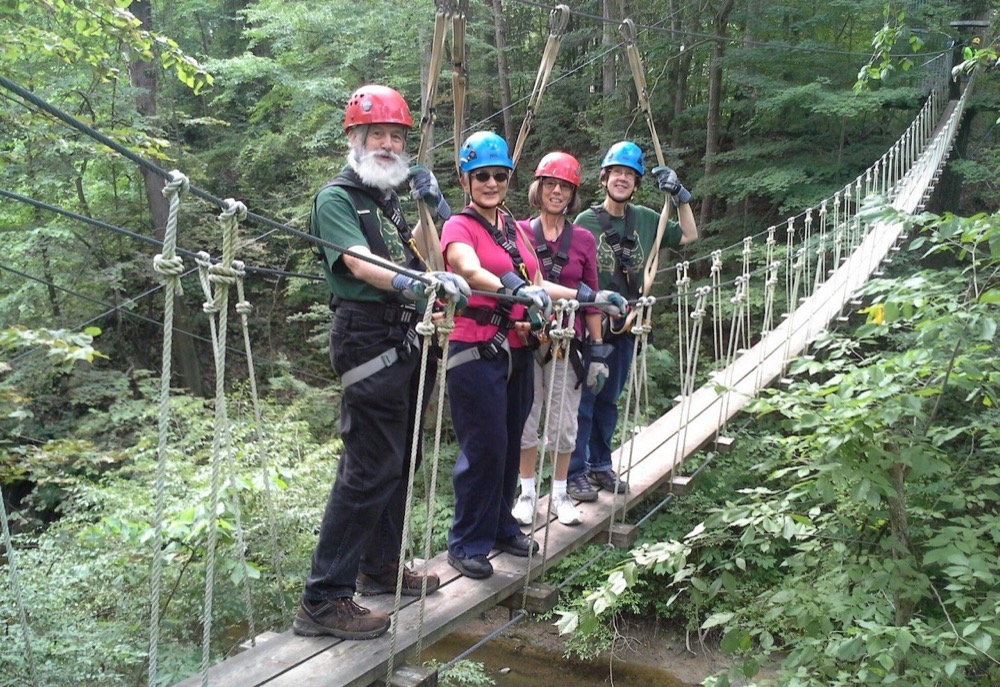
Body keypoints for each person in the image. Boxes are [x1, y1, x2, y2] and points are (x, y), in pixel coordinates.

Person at [294, 84, 469, 641]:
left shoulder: (388, 198)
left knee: (403, 459)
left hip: (404, 334)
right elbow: (360, 262)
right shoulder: (338, 197)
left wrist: (432, 208)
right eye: (379, 134)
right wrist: (416, 281)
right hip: (367, 336)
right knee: (370, 466)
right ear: (355, 138)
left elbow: (421, 250)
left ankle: (379, 566)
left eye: (397, 135)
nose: (390, 143)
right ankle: (323, 599)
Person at [442, 133, 604, 578]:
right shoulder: (460, 225)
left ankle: (500, 527)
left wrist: (588, 295)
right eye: (482, 176)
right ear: (466, 179)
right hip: (475, 347)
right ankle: (466, 541)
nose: (491, 183)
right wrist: (512, 287)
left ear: (509, 179)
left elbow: (538, 280)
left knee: (512, 441)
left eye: (498, 175)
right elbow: (466, 267)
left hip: (516, 348)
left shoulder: (512, 228)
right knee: (483, 448)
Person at [566, 141, 699, 503]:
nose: (622, 179)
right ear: (605, 178)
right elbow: (574, 271)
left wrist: (681, 198)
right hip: (592, 324)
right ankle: (575, 471)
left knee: (610, 398)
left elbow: (689, 235)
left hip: (625, 326)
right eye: (616, 173)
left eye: (629, 175)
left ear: (636, 183)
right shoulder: (586, 222)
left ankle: (600, 464)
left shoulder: (645, 219)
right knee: (586, 399)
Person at [512, 152, 625, 527]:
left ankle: (559, 492)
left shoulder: (585, 240)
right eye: (550, 184)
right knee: (526, 418)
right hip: (527, 338)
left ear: (573, 194)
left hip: (567, 341)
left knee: (563, 423)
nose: (556, 192)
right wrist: (586, 298)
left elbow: (592, 294)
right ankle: (527, 492)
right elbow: (528, 286)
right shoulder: (518, 231)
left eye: (564, 187)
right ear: (539, 188)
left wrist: (597, 351)